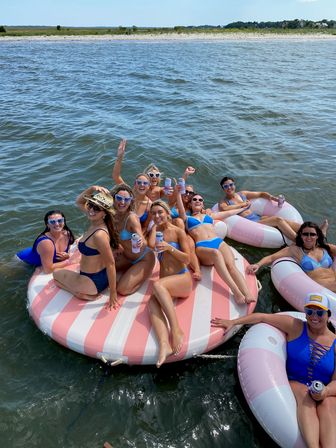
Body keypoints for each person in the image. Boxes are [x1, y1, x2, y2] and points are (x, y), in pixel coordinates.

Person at [211, 293, 336, 448]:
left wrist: (325, 391)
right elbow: (263, 317)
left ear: (328, 315)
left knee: (330, 402)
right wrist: (234, 322)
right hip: (296, 384)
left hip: (323, 389)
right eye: (310, 312)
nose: (314, 316)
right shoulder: (296, 326)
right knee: (305, 393)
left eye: (319, 312)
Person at [176, 190, 256, 304]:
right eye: (194, 199)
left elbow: (228, 213)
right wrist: (178, 193)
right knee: (216, 253)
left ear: (203, 204)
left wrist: (244, 207)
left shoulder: (209, 215)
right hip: (203, 247)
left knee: (231, 266)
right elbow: (180, 207)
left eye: (200, 200)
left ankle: (247, 294)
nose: (197, 201)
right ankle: (236, 293)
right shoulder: (187, 218)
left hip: (218, 242)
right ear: (190, 204)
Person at [53, 188, 119, 309]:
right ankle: (80, 292)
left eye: (97, 208)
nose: (92, 210)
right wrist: (93, 188)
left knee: (56, 275)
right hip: (94, 277)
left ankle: (80, 294)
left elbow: (111, 264)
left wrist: (113, 294)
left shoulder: (99, 234)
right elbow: (79, 202)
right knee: (57, 280)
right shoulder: (96, 221)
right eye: (91, 205)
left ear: (104, 213)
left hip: (92, 281)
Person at [147, 200, 192, 367]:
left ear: (167, 213)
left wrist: (170, 248)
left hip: (182, 279)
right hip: (166, 282)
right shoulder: (155, 230)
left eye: (160, 212)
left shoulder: (178, 232)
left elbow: (187, 259)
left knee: (157, 286)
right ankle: (164, 343)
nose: (157, 216)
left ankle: (176, 330)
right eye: (154, 213)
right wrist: (154, 227)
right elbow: (151, 245)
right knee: (151, 302)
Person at [248, 221, 336, 292]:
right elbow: (271, 258)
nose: (309, 237)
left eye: (312, 234)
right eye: (305, 234)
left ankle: (324, 229)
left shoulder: (324, 247)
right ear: (301, 235)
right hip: (322, 286)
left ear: (317, 236)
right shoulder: (295, 250)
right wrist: (258, 264)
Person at [218, 176, 301, 241]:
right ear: (223, 189)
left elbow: (261, 194)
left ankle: (308, 231)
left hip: (258, 217)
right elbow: (224, 209)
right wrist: (242, 204)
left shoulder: (242, 194)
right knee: (278, 220)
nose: (229, 188)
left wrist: (273, 198)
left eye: (231, 185)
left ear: (234, 185)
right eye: (226, 186)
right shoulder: (224, 201)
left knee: (284, 220)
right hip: (252, 223)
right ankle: (299, 241)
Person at [110, 183, 155, 295]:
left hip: (144, 258)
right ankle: (132, 270)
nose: (122, 202)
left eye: (126, 199)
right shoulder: (111, 216)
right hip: (126, 257)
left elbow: (141, 237)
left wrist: (140, 241)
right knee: (101, 269)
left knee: (122, 290)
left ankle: (144, 275)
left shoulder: (132, 218)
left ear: (131, 201)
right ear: (114, 198)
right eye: (119, 198)